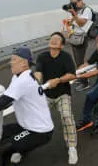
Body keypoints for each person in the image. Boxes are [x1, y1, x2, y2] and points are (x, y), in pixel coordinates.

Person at [34, 32, 78, 165]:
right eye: (52, 38)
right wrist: (36, 80)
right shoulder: (42, 56)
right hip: (46, 96)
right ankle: (21, 148)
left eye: (57, 39)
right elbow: (38, 72)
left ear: (62, 45)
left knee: (67, 116)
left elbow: (72, 75)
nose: (53, 40)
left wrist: (58, 80)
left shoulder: (66, 57)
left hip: (62, 94)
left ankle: (72, 147)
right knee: (33, 118)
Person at [66, 0, 93, 91]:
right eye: (72, 3)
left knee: (80, 62)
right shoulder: (76, 11)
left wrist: (74, 14)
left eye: (75, 3)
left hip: (81, 38)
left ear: (80, 1)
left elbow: (82, 23)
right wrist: (68, 30)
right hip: (74, 37)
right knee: (77, 61)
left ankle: (85, 82)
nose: (74, 5)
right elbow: (70, 23)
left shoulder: (87, 10)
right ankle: (81, 78)